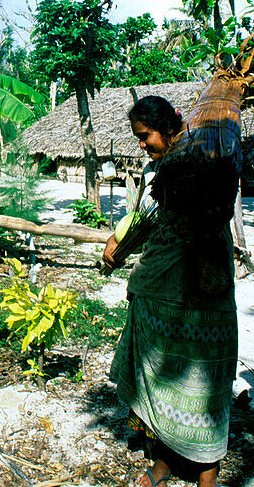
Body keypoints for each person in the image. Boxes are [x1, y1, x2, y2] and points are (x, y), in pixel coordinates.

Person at [102, 95, 238, 487]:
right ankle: (163, 462)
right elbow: (144, 220)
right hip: (161, 288)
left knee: (205, 380)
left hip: (204, 287)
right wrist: (118, 240)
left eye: (145, 136)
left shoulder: (198, 164)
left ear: (168, 128)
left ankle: (206, 473)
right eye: (138, 138)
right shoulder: (160, 169)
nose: (142, 143)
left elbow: (209, 214)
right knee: (161, 379)